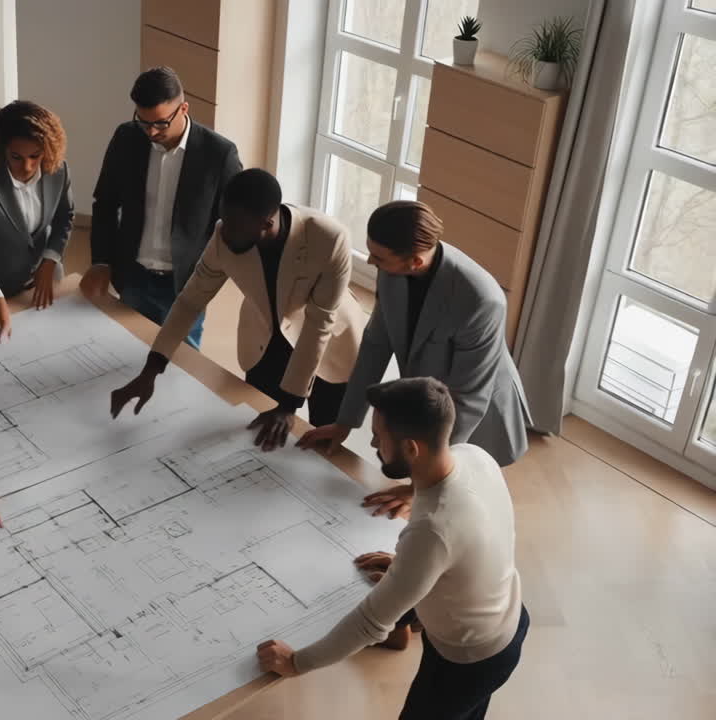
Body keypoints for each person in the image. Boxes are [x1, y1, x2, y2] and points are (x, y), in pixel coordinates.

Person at [257, 377, 529, 720]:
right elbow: (472, 538)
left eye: (379, 436)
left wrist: (296, 663)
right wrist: (412, 569)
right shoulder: (473, 455)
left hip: (470, 655)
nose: (372, 442)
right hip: (508, 614)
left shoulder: (432, 530)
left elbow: (370, 624)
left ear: (412, 449)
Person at [298, 201, 531, 518]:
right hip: (430, 395)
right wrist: (345, 422)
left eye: (379, 257)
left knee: (465, 504)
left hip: (478, 410)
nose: (370, 261)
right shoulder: (391, 271)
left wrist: (425, 481)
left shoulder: (481, 299)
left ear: (414, 262)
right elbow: (375, 345)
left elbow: (469, 397)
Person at [109, 169, 367, 449]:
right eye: (225, 221)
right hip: (265, 335)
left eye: (235, 228)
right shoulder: (226, 233)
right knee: (257, 429)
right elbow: (190, 301)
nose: (224, 232)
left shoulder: (328, 238)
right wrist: (152, 368)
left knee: (321, 439)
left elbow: (319, 324)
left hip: (328, 343)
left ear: (266, 224)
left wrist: (289, 406)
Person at [82, 66, 242, 349]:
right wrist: (101, 262)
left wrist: (211, 277)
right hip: (132, 277)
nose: (151, 132)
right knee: (125, 353)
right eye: (143, 122)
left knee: (180, 368)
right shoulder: (127, 138)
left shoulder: (219, 154)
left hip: (185, 285)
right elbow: (105, 203)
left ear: (184, 109)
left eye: (160, 123)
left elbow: (232, 225)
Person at [0, 100, 75, 341]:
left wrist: (50, 260)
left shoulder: (58, 171)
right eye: (16, 157)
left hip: (47, 275)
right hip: (0, 283)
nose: (27, 166)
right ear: (2, 150)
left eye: (35, 156)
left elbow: (66, 217)